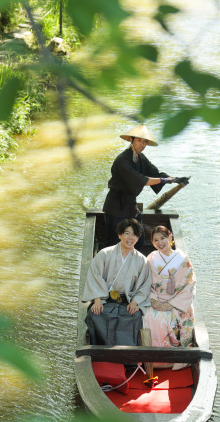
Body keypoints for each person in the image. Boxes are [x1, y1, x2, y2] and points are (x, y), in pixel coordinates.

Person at [102, 124, 189, 249]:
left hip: (131, 206)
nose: (142, 144)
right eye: (139, 140)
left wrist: (175, 180)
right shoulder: (122, 160)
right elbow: (143, 180)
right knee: (113, 244)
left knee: (140, 241)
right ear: (131, 140)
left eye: (145, 142)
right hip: (116, 207)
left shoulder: (140, 158)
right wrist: (166, 180)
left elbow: (155, 174)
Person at [82, 218, 152, 346]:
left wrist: (135, 302)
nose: (130, 237)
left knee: (135, 317)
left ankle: (128, 355)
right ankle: (101, 351)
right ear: (119, 235)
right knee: (95, 314)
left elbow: (145, 286)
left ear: (138, 238)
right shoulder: (104, 254)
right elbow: (94, 276)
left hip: (127, 301)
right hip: (105, 298)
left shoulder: (142, 261)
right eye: (127, 233)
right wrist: (97, 300)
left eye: (134, 235)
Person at [143, 225, 196, 355]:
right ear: (152, 242)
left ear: (170, 237)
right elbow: (146, 283)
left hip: (177, 301)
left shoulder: (183, 259)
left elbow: (189, 285)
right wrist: (154, 300)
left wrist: (170, 304)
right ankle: (152, 357)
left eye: (163, 238)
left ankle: (171, 354)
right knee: (147, 316)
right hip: (156, 299)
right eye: (156, 240)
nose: (160, 243)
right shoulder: (151, 258)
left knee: (174, 317)